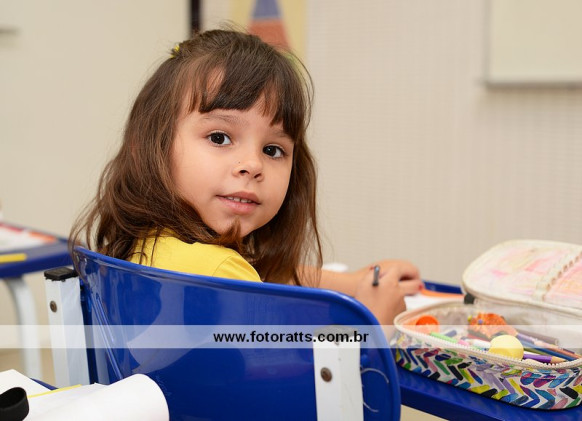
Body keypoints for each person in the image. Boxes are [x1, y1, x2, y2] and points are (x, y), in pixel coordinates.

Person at [71, 28, 422, 325]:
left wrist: (353, 283)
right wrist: (377, 322)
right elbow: (316, 380)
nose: (253, 165)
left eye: (273, 149)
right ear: (150, 147)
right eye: (219, 138)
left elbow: (263, 275)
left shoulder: (148, 245)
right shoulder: (220, 273)